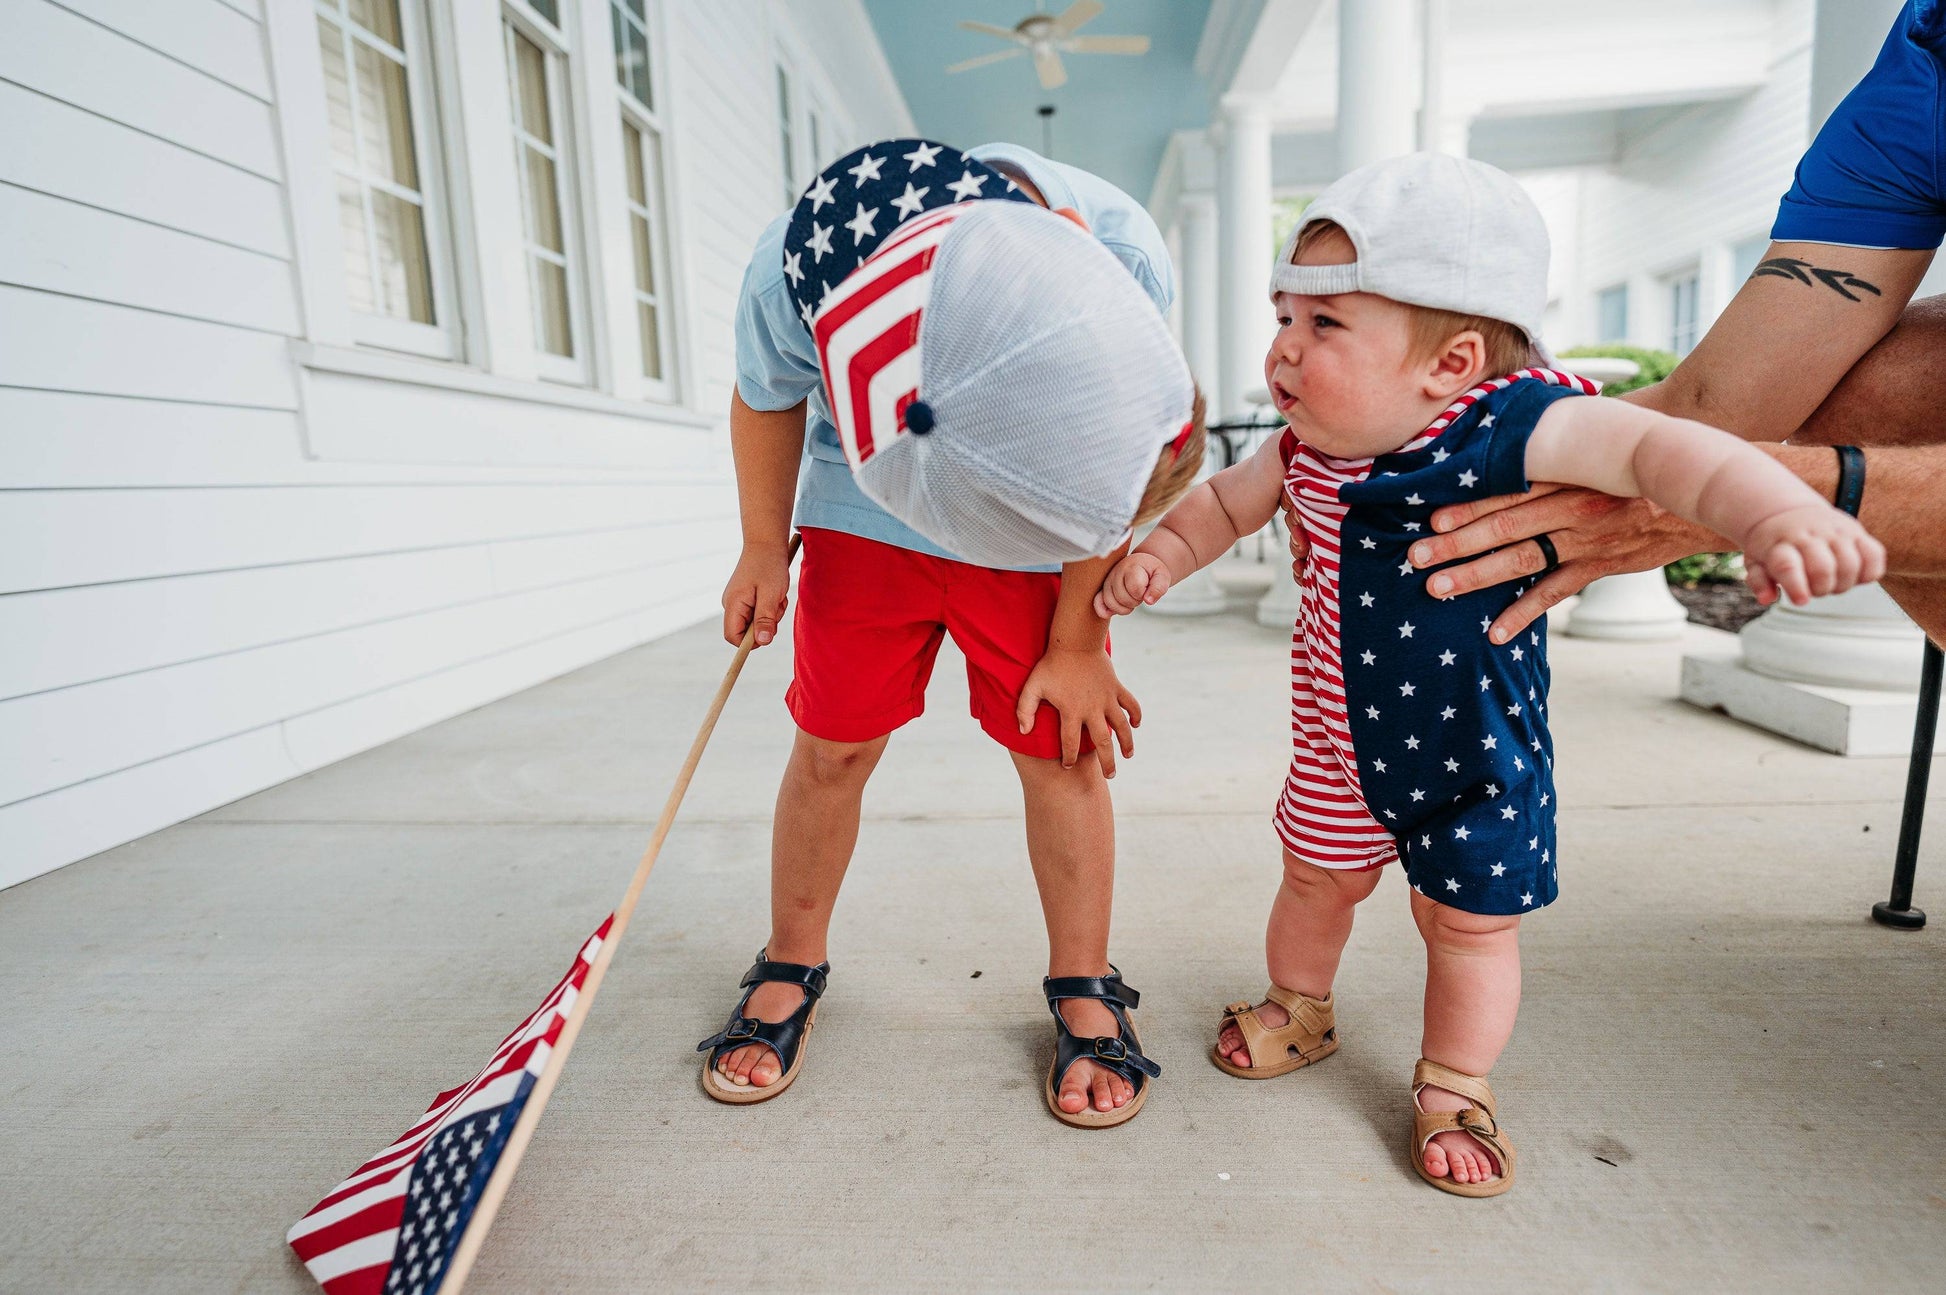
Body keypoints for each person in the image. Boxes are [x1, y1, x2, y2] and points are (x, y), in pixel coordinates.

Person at [1091, 155, 1884, 1194]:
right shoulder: (1302, 448)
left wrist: (1776, 511)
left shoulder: (1517, 426)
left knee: (1467, 926)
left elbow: (1662, 453)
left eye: (1324, 326)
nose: (1283, 346)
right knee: (1312, 881)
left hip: (1474, 756)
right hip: (1337, 746)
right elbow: (1222, 506)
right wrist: (1159, 553)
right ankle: (1299, 1003)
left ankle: (1453, 1081)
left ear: (1452, 359)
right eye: (1284, 315)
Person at [698, 139, 1205, 1128]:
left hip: (1035, 528)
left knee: (1061, 746)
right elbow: (767, 395)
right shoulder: (797, 273)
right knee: (832, 745)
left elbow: (1107, 460)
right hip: (863, 507)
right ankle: (790, 957)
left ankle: (1082, 977)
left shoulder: (1117, 249)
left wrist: (1075, 641)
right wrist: (764, 543)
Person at [1399, 0, 1946, 643]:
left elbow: (1704, 459)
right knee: (1877, 378)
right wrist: (1398, 472)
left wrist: (1730, 499)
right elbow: (1711, 404)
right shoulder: (1920, 71)